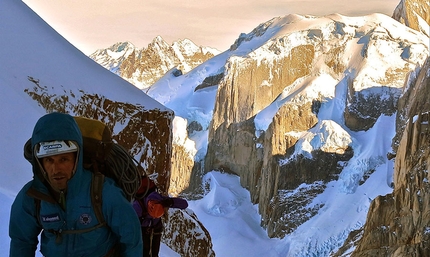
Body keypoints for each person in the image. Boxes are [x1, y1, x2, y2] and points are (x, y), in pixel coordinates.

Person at [9, 112, 143, 257]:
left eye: (64, 159)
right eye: (49, 160)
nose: (56, 169)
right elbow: (21, 243)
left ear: (77, 158)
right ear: (40, 162)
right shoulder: (32, 196)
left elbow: (131, 240)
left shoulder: (103, 192)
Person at [133, 175, 188, 257]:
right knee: (144, 251)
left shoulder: (161, 200)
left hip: (155, 227)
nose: (154, 217)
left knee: (154, 253)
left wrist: (170, 202)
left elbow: (184, 204)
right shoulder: (137, 207)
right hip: (143, 227)